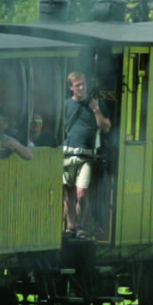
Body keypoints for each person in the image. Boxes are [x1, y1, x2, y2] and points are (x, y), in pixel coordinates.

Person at [62, 69, 108, 237]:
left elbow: (106, 127)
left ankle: (81, 227)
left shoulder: (95, 104)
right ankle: (70, 227)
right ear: (71, 88)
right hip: (67, 154)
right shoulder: (66, 105)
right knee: (68, 194)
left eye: (83, 84)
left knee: (82, 193)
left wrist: (96, 110)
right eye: (77, 85)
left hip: (86, 155)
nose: (81, 88)